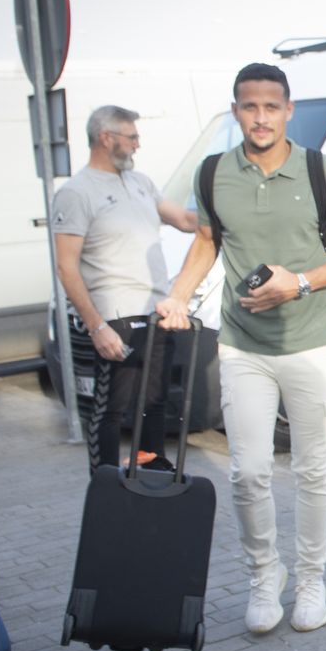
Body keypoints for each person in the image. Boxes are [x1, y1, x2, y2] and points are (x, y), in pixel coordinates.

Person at [157, 63, 326, 635]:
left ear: (287, 111)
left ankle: (311, 580)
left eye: (271, 107)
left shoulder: (320, 170)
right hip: (242, 346)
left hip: (309, 343)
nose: (260, 117)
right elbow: (206, 244)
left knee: (313, 472)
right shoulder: (214, 175)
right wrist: (177, 295)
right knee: (249, 473)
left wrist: (300, 282)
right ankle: (264, 576)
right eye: (249, 107)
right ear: (237, 111)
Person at [52, 105, 198, 474]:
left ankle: (149, 481)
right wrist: (96, 326)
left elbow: (183, 220)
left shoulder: (141, 182)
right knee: (112, 410)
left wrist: (227, 213)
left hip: (156, 311)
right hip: (114, 318)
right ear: (106, 138)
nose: (137, 144)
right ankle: (104, 490)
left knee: (155, 404)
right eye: (131, 136)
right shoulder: (77, 192)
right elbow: (66, 267)